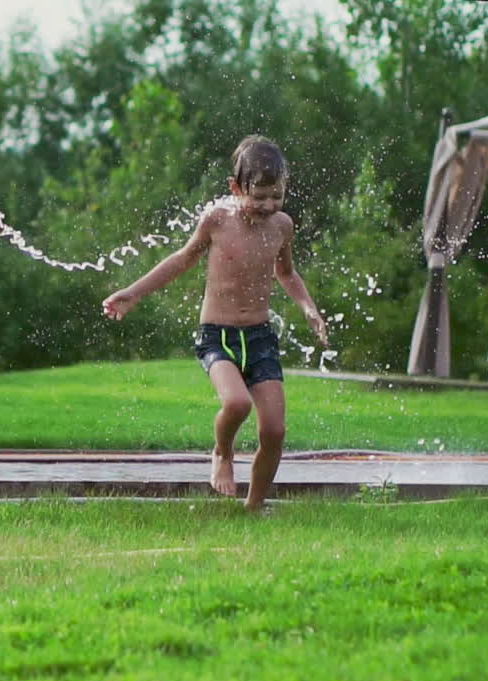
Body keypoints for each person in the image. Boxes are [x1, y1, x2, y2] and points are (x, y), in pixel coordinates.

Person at [102, 135, 327, 510]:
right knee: (237, 404)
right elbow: (182, 259)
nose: (268, 205)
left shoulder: (282, 226)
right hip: (217, 336)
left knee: (274, 430)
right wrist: (134, 293)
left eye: (277, 196)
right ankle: (222, 451)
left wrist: (309, 308)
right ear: (236, 188)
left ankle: (254, 508)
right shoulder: (218, 220)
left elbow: (287, 274)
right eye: (259, 196)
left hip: (260, 338)